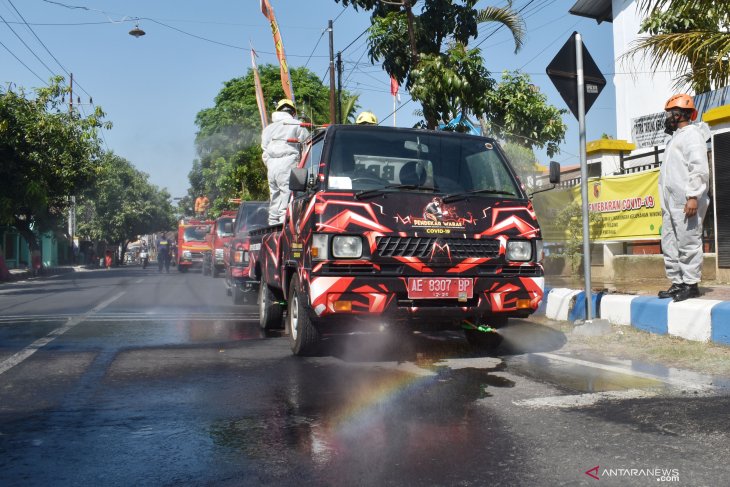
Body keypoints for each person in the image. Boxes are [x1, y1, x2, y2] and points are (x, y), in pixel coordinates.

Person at [657, 93, 711, 302]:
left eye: (671, 113)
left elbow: (698, 168)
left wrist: (693, 196)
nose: (669, 116)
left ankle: (691, 284)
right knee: (670, 241)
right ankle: (677, 282)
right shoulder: (674, 139)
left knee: (688, 241)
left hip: (686, 201)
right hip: (671, 203)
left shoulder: (692, 135)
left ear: (680, 114)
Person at [261, 99, 309, 225]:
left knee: (275, 195)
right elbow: (308, 147)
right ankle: (284, 227)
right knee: (287, 196)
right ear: (293, 112)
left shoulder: (268, 129)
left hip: (272, 166)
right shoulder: (298, 125)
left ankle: (272, 224)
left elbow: (264, 151)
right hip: (289, 163)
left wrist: (270, 164)